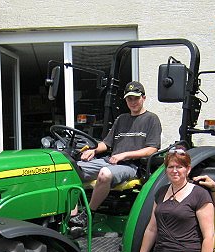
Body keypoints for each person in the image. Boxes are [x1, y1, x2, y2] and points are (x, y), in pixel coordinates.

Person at [69, 81, 161, 229]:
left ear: (143, 98)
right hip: (110, 160)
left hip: (131, 166)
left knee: (104, 174)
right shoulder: (121, 119)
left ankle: (88, 215)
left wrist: (124, 155)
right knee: (69, 168)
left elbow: (152, 149)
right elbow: (107, 144)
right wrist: (93, 150)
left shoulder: (151, 119)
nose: (133, 102)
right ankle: (71, 214)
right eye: (129, 99)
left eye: (136, 98)